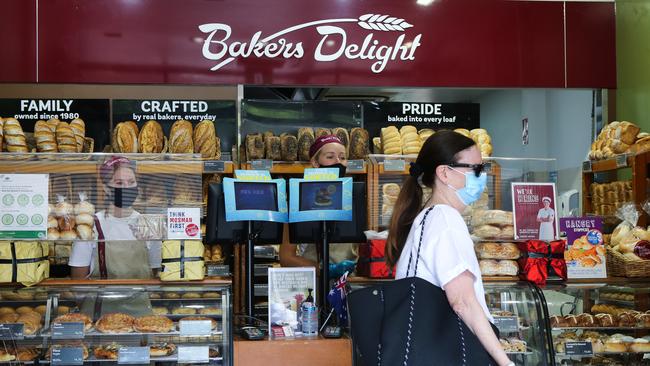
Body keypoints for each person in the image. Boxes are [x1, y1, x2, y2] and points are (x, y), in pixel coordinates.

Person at [385, 130, 513, 366]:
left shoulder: (425, 218)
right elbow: (462, 301)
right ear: (444, 172)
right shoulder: (445, 219)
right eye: (474, 168)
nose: (481, 176)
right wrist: (505, 362)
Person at [69, 156, 162, 279]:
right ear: (106, 188)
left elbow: (157, 275)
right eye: (119, 183)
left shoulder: (149, 225)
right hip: (103, 298)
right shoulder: (90, 225)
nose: (127, 187)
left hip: (141, 298)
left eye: (131, 182)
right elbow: (78, 279)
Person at [279, 135, 357, 277]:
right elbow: (286, 257)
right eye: (330, 157)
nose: (338, 162)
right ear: (315, 162)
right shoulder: (299, 199)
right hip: (312, 284)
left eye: (343, 157)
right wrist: (323, 269)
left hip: (348, 284)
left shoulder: (354, 197)